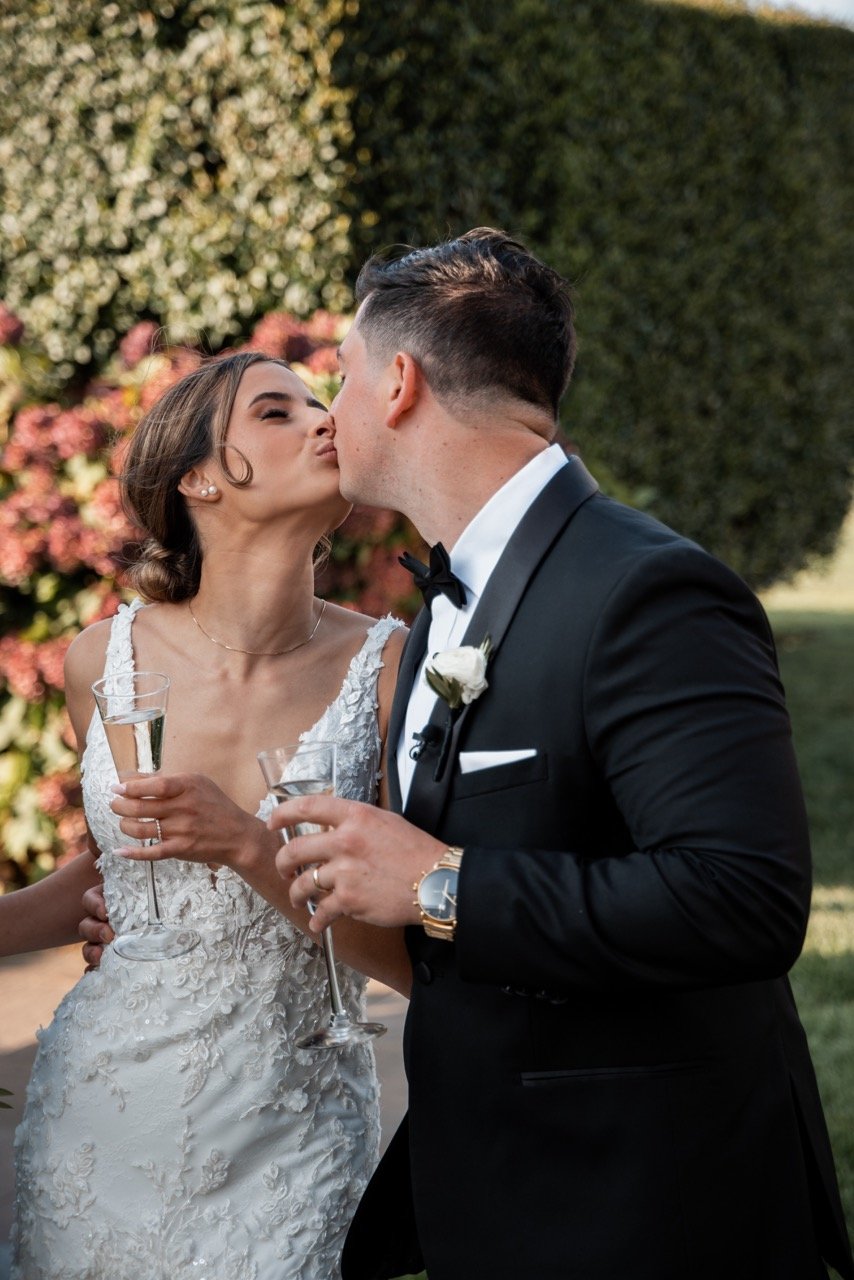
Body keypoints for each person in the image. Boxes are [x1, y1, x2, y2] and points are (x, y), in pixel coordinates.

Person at [265, 229, 854, 1280]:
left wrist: (436, 881)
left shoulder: (646, 591)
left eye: (339, 378)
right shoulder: (446, 599)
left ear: (398, 382)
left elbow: (742, 898)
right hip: (497, 1188)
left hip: (643, 1203)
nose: (330, 410)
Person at [1, 351, 409, 1280]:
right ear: (196, 477)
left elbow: (406, 938)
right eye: (278, 411)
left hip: (294, 1131)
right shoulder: (102, 660)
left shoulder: (389, 671)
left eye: (319, 404)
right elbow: (122, 876)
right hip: (103, 1120)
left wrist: (247, 845)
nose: (322, 421)